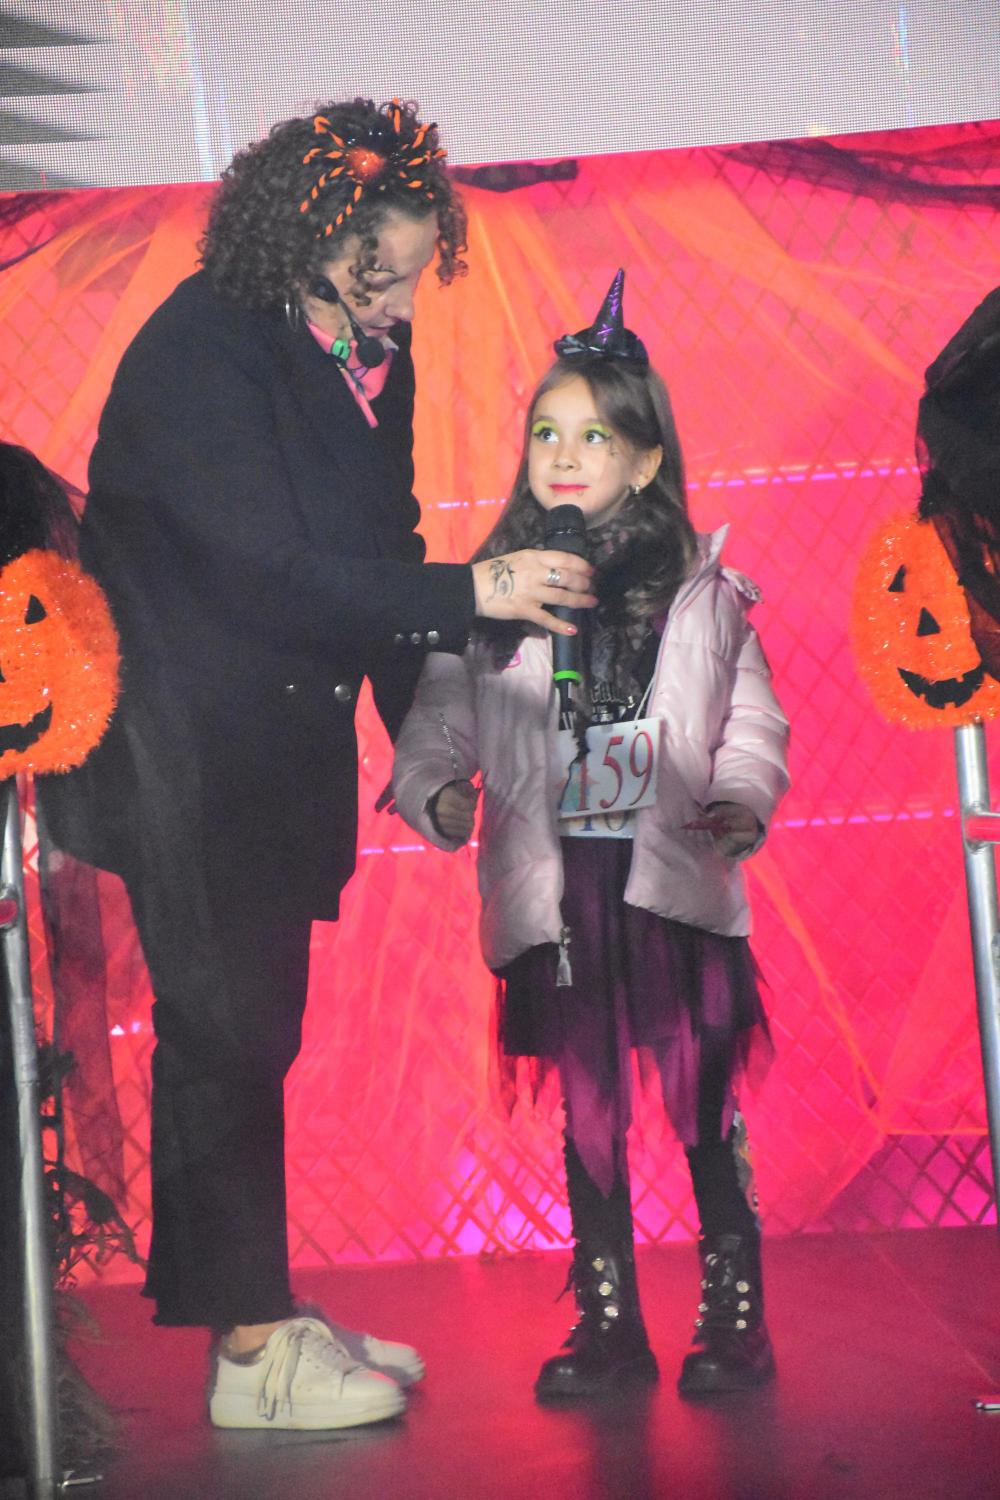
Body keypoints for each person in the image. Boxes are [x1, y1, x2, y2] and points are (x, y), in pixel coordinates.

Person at [40, 98, 595, 1433]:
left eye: (409, 273)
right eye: (374, 274)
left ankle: (259, 1313)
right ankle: (249, 1349)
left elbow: (379, 552)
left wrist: (426, 743)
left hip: (268, 739)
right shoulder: (200, 350)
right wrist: (479, 590)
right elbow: (267, 574)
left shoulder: (363, 353)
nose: (397, 304)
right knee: (226, 1032)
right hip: (181, 745)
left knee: (254, 1031)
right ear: (303, 238)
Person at [391, 273, 790, 1400]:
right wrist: (435, 789)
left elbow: (751, 717)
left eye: (595, 436)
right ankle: (609, 1321)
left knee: (699, 1097)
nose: (564, 456)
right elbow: (440, 714)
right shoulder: (497, 591)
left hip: (662, 875)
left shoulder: (698, 591)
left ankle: (735, 1309)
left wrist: (742, 798)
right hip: (559, 882)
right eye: (546, 433)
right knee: (590, 1106)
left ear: (646, 461)